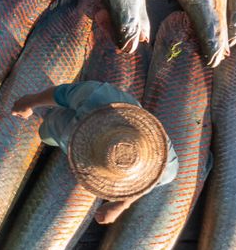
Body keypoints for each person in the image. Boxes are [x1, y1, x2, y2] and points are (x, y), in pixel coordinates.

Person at [12, 80, 176, 224]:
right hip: (72, 122)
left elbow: (154, 180)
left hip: (90, 138)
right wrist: (30, 102)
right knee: (47, 131)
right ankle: (52, 129)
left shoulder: (166, 166)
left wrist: (122, 204)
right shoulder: (96, 96)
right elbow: (58, 94)